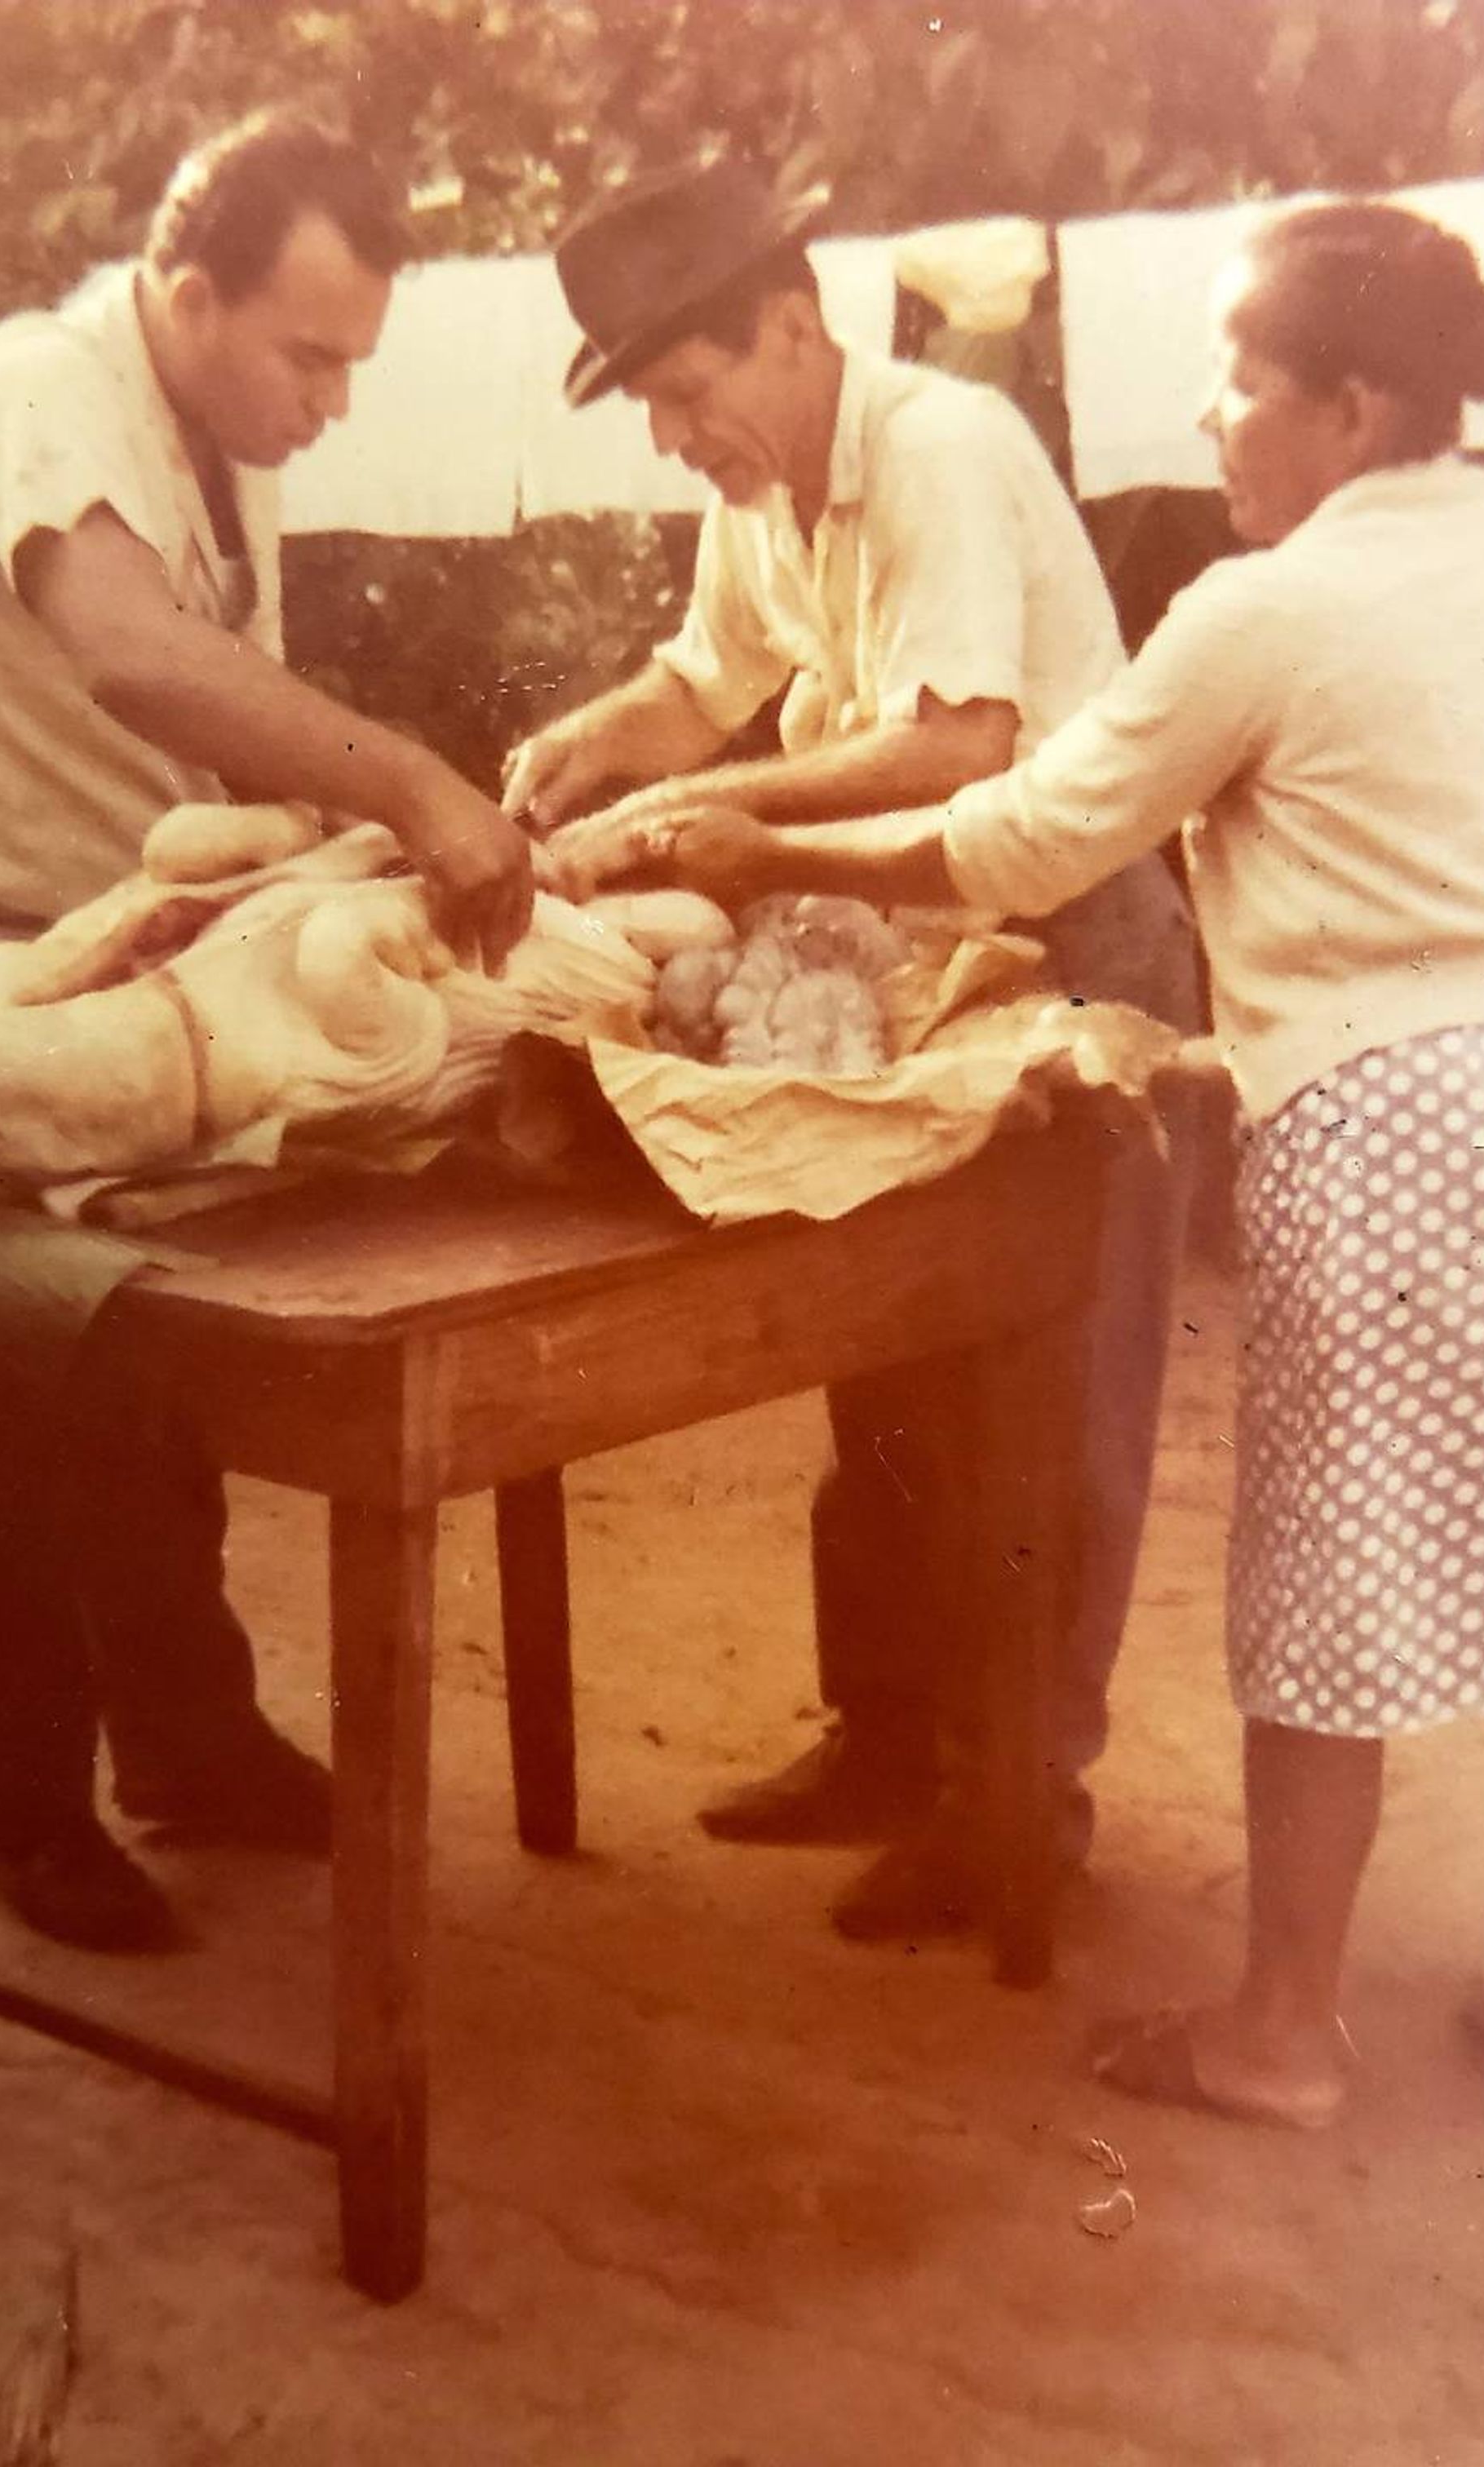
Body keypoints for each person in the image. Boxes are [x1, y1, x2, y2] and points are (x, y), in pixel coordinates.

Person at [652, 197, 1484, 2133]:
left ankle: (1283, 2036)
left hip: (1411, 1109)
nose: (1214, 418)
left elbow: (1023, 836)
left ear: (1356, 404)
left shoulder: (1274, 606)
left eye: (1245, 383)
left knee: (1330, 1579)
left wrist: (766, 847)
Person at [0, 112, 534, 1953]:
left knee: (171, 1325)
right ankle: (30, 1811)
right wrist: (420, 786)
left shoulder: (228, 446)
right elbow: (130, 651)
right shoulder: (40, 382)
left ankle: (188, 1739)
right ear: (185, 291)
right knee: (34, 1352)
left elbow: (220, 734)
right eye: (310, 355)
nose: (333, 402)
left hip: (118, 920)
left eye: (355, 360)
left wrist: (342, 862)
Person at [506, 159, 1201, 1941]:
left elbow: (953, 745)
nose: (677, 438)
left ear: (794, 328)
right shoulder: (768, 486)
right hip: (912, 961)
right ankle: (896, 1745)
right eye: (652, 406)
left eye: (689, 391)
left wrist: (675, 816)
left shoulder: (941, 449)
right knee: (888, 1365)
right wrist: (595, 748)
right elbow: (700, 683)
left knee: (1053, 1402)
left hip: (1071, 953)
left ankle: (1022, 1802)